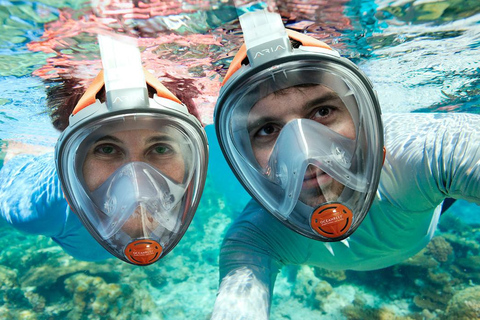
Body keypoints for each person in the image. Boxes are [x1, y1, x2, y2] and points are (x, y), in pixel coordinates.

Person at [210, 10, 480, 319]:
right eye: (268, 130)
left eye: (323, 112)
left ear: (362, 118)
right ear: (245, 157)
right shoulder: (256, 237)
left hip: (429, 203)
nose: (306, 152)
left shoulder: (422, 152)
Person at [0, 35, 208, 266]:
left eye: (160, 148)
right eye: (107, 149)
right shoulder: (36, 208)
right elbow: (16, 160)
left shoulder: (187, 189)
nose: (137, 187)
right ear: (75, 163)